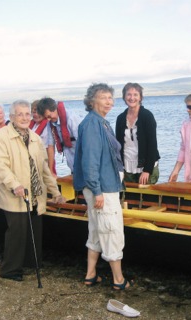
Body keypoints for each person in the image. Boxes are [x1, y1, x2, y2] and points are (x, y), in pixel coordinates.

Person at [0, 99, 65, 282]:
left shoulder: (35, 137)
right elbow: (1, 166)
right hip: (15, 193)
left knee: (33, 229)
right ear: (11, 117)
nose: (25, 117)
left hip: (35, 193)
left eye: (27, 114)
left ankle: (31, 263)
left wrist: (55, 192)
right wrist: (14, 184)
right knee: (17, 232)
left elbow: (43, 168)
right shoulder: (2, 136)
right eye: (20, 114)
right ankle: (9, 269)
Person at [73, 83, 132, 290]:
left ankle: (91, 274)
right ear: (92, 101)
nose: (109, 101)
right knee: (111, 230)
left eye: (111, 97)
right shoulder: (92, 124)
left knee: (97, 230)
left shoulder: (101, 122)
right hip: (102, 188)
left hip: (106, 185)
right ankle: (118, 279)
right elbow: (89, 161)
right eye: (104, 97)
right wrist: (97, 191)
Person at [116, 83, 160, 185]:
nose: (132, 98)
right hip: (126, 167)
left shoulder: (147, 116)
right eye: (129, 94)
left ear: (140, 97)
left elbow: (152, 145)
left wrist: (147, 170)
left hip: (145, 168)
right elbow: (118, 145)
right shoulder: (120, 118)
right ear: (124, 97)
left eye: (135, 94)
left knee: (146, 199)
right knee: (129, 199)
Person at [36, 97, 80, 176]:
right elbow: (50, 146)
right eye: (46, 118)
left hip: (83, 164)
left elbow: (83, 142)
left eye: (49, 116)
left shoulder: (70, 118)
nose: (48, 120)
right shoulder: (50, 123)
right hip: (72, 165)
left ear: (54, 109)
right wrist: (50, 171)